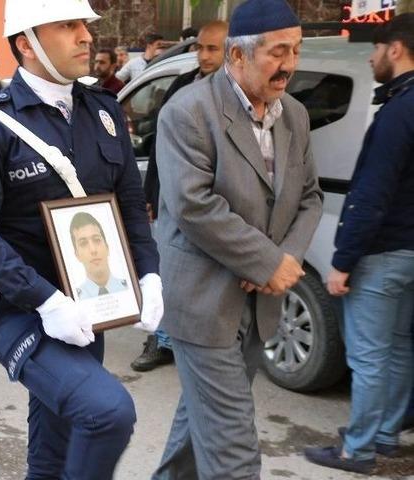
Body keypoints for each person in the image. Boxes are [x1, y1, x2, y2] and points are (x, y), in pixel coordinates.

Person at [0, 0, 163, 477]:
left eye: (84, 24)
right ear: (26, 43)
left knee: (55, 445)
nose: (86, 35)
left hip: (89, 302)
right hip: (22, 307)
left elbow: (129, 204)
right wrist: (47, 302)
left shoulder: (103, 111)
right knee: (107, 412)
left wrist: (148, 273)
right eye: (68, 25)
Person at [150, 0, 323, 477]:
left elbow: (309, 197)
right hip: (203, 303)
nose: (290, 64)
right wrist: (263, 262)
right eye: (278, 51)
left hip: (257, 303)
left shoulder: (296, 116)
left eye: (297, 49)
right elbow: (193, 205)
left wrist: (283, 256)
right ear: (238, 56)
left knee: (199, 425)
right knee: (233, 450)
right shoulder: (188, 112)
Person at [304, 13, 414, 475]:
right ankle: (387, 435)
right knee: (399, 345)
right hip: (409, 251)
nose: (370, 57)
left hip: (383, 251)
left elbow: (371, 192)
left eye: (375, 49)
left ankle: (359, 450)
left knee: (368, 356)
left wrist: (343, 261)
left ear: (395, 49)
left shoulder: (397, 111)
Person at [132, 20, 228, 373]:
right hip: (172, 199)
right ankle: (160, 340)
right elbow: (160, 143)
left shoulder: (236, 93)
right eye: (200, 48)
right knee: (165, 270)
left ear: (232, 49)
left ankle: (192, 340)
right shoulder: (182, 85)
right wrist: (150, 193)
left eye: (212, 49)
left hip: (215, 205)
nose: (203, 55)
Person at [70, 212, 128, 299]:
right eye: (83, 243)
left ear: (107, 248)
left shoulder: (130, 289)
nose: (93, 250)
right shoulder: (74, 299)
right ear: (77, 255)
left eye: (97, 240)